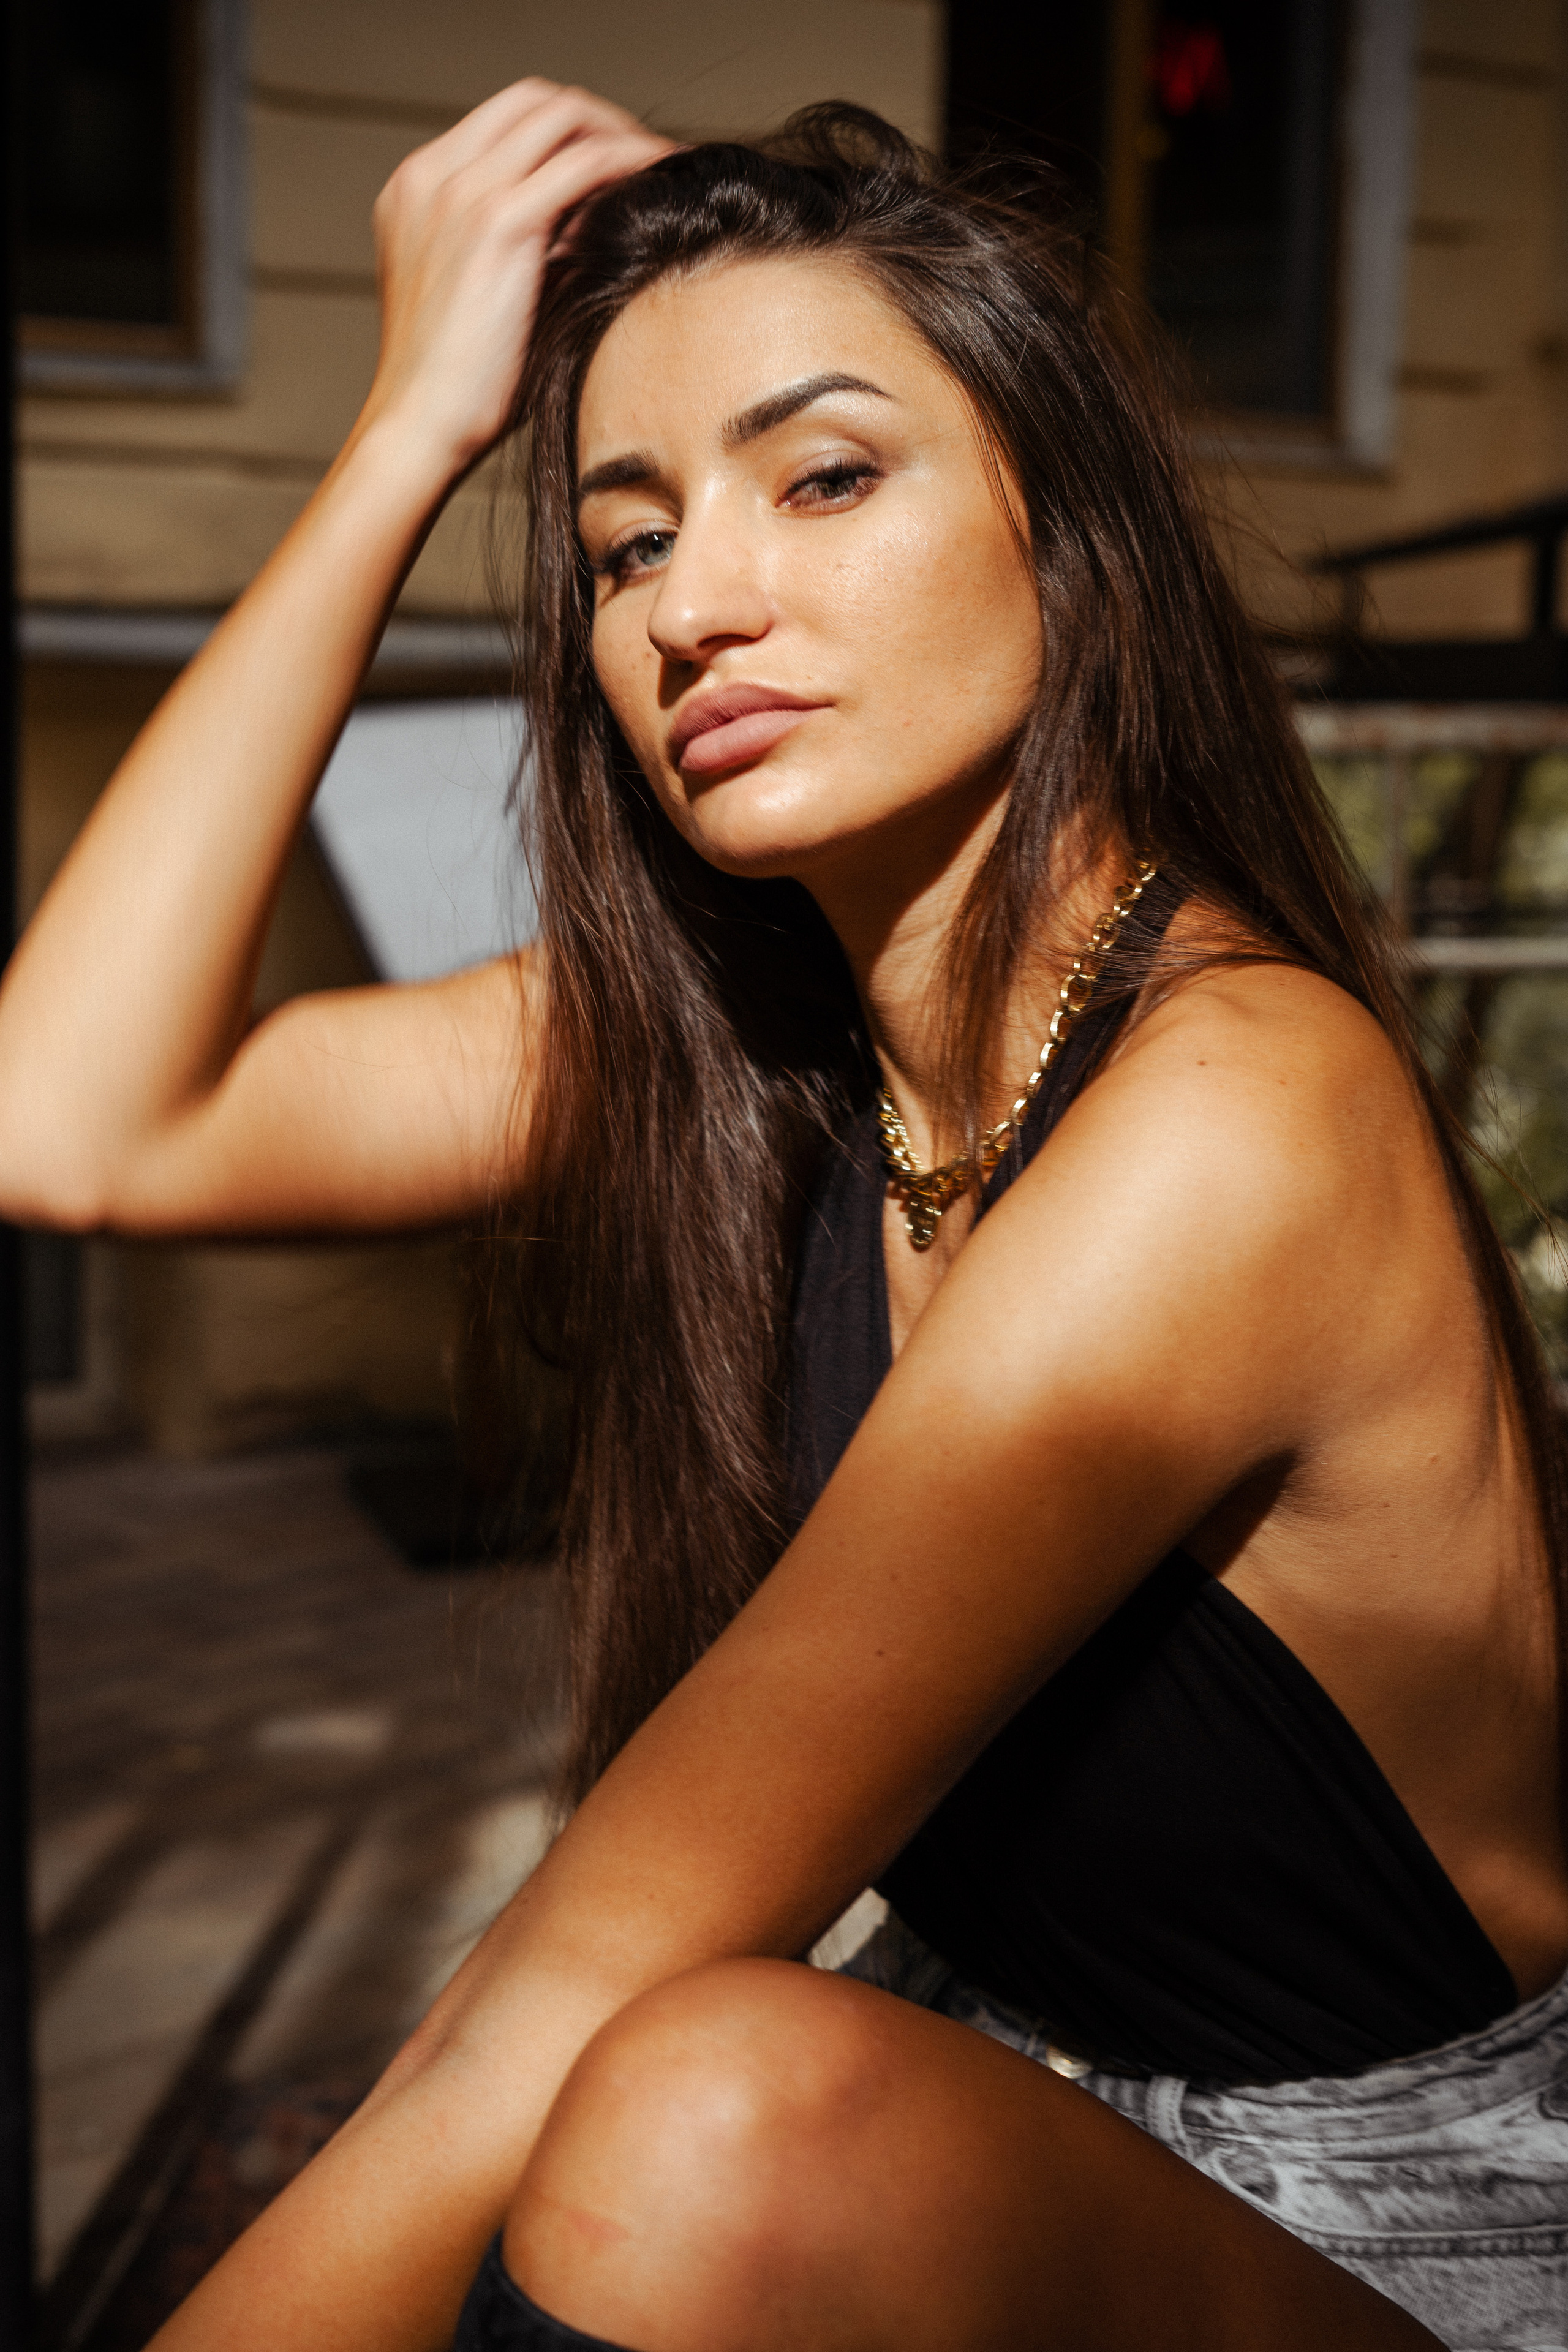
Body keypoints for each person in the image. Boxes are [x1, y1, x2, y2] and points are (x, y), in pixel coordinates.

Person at [1, 78, 1564, 2352]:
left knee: (701, 2117)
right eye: (625, 544)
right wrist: (404, 440)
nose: (694, 606)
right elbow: (68, 1124)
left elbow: (538, 2017)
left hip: (1400, 2240)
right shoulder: (771, 1047)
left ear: (1072, 531)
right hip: (1016, 2116)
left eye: (823, 477)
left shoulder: (1236, 1120)